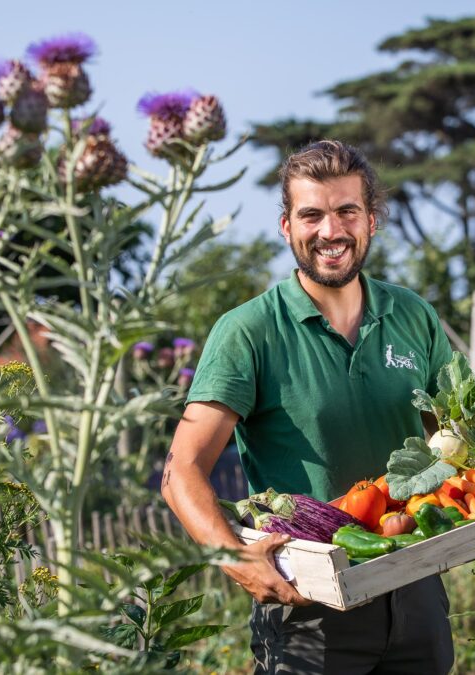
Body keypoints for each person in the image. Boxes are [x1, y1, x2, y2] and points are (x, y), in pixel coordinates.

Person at [160, 140, 455, 673]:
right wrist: (234, 560)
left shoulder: (413, 316)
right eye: (311, 214)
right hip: (309, 604)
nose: (330, 231)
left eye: (346, 211)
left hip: (417, 589)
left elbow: (452, 444)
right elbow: (181, 471)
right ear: (286, 226)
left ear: (371, 220)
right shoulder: (249, 331)